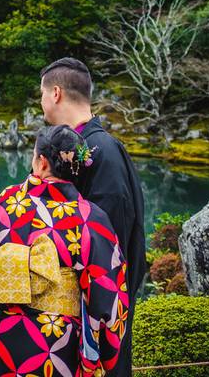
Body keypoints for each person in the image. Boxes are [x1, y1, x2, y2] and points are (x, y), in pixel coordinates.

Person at [0, 125, 129, 377]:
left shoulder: (7, 201)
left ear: (41, 162)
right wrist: (104, 357)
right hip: (53, 343)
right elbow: (110, 297)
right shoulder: (91, 219)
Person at [39, 58, 146, 377]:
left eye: (42, 94)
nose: (41, 103)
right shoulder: (81, 147)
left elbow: (109, 248)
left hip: (94, 314)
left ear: (56, 93)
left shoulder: (102, 152)